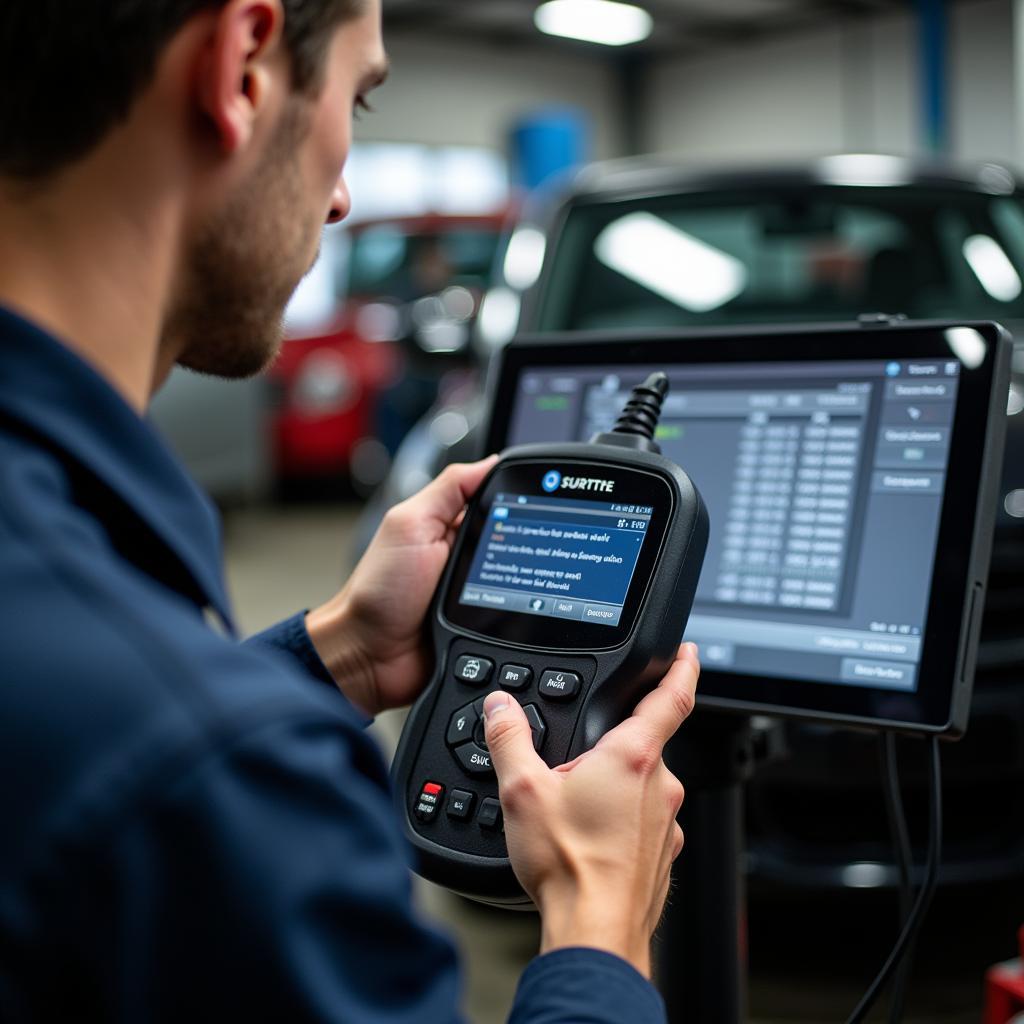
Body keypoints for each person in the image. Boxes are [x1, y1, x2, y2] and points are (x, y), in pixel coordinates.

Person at [0, 1, 701, 1020]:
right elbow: (164, 758)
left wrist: (337, 654)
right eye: (359, 102)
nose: (338, 197)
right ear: (242, 67)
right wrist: (598, 925)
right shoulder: (227, 781)